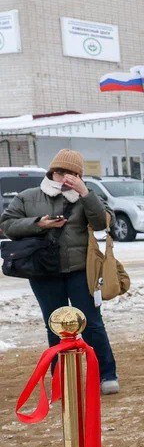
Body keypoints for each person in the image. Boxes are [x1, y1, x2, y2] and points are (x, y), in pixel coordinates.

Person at [1, 149, 119, 394]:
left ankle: (107, 374)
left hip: (80, 270)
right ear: (51, 172)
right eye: (60, 172)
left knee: (91, 323)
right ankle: (61, 379)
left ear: (79, 175)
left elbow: (103, 222)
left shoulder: (88, 196)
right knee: (55, 325)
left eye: (72, 173)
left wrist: (85, 193)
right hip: (44, 271)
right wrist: (37, 224)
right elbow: (7, 225)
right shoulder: (27, 196)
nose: (65, 178)